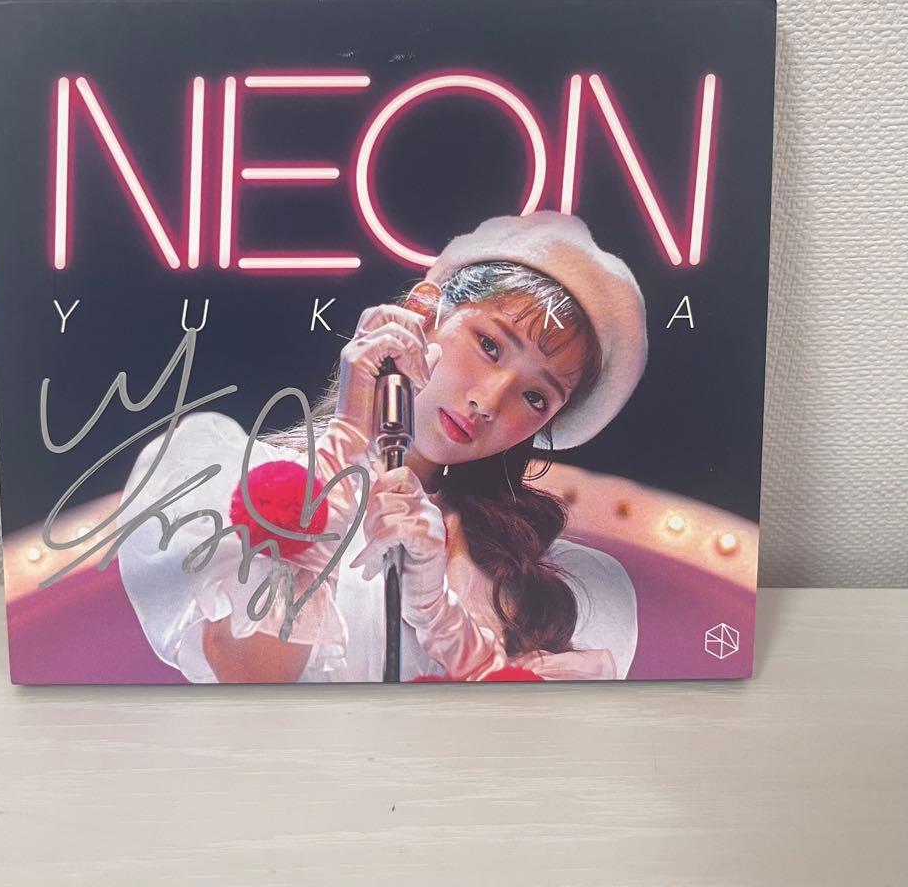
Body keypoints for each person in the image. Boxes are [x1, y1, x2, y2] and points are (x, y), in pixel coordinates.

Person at [116, 211, 648, 682]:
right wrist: (345, 443)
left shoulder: (555, 581)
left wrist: (434, 603)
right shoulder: (238, 482)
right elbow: (254, 679)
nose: (488, 402)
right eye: (488, 345)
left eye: (535, 397)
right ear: (423, 313)